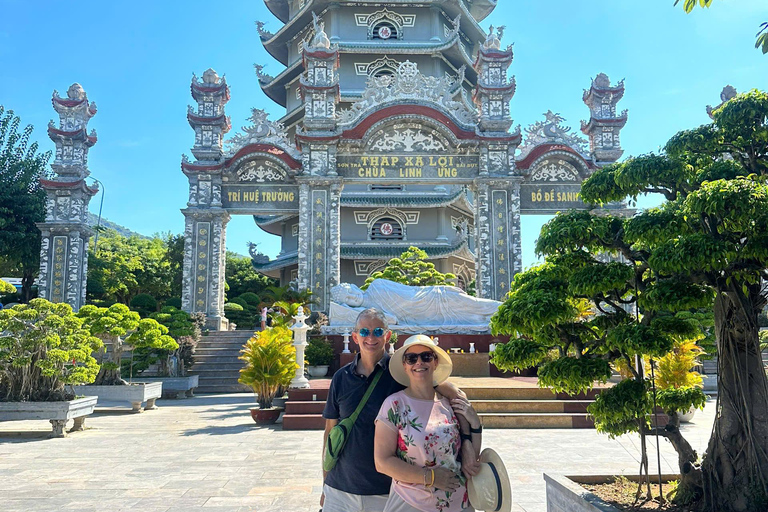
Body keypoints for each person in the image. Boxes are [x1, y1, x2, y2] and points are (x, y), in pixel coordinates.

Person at [322, 308, 479, 512]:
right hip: (340, 487)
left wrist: (467, 442)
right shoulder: (341, 378)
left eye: (378, 331)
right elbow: (329, 432)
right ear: (355, 337)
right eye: (364, 332)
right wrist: (325, 482)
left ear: (387, 336)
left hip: (383, 489)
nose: (371, 337)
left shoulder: (401, 372)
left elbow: (450, 393)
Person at [373, 335, 481, 512]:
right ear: (404, 365)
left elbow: (470, 460)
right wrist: (430, 477)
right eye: (412, 358)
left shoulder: (450, 403)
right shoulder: (394, 405)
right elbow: (382, 462)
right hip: (413, 503)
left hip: (458, 503)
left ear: (435, 362)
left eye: (426, 356)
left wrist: (475, 424)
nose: (419, 363)